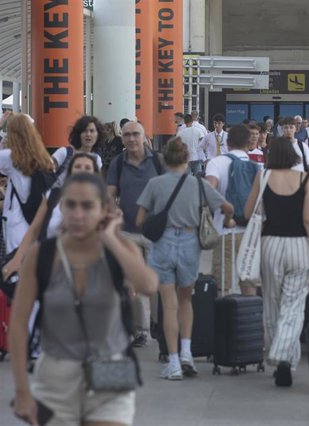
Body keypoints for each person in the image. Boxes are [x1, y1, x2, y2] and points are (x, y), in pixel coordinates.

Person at [9, 173, 158, 425]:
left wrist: (110, 238)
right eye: (71, 205)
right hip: (56, 373)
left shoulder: (119, 249)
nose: (78, 215)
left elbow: (148, 285)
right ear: (61, 207)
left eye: (88, 206)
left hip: (111, 366)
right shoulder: (42, 255)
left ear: (104, 209)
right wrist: (22, 391)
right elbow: (18, 325)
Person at [136, 138, 233, 380]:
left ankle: (173, 361)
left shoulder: (155, 184)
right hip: (190, 242)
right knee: (186, 301)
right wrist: (228, 220)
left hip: (163, 244)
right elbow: (227, 207)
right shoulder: (198, 185)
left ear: (164, 159)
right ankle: (188, 353)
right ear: (187, 159)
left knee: (169, 304)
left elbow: (139, 220)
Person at [244, 136, 309, 387]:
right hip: (299, 247)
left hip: (270, 244)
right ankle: (286, 357)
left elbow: (247, 212)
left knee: (272, 303)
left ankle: (281, 357)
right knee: (294, 306)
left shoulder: (262, 177)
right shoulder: (306, 178)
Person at [106, 121, 165, 347]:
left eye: (135, 134)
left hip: (156, 233)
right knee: (133, 283)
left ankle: (159, 324)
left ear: (144, 136)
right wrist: (113, 209)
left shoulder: (158, 161)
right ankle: (140, 329)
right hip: (128, 232)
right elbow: (110, 194)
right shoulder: (118, 164)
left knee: (158, 283)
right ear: (122, 138)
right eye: (127, 135)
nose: (131, 139)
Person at [3, 154, 102, 279]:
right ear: (70, 172)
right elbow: (34, 229)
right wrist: (17, 259)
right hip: (50, 266)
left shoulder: (103, 201)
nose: (82, 170)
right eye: (78, 166)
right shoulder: (53, 195)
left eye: (87, 167)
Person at [206, 125, 261, 296]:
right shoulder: (256, 167)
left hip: (224, 230)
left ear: (227, 142)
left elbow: (209, 190)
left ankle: (225, 320)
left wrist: (225, 210)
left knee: (222, 283)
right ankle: (249, 319)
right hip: (250, 231)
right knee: (249, 282)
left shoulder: (216, 163)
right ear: (249, 142)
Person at [0, 114, 55, 256]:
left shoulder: (11, 158)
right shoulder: (46, 160)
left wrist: (0, 124)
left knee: (17, 270)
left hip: (16, 223)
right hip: (38, 223)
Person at [53, 116, 106, 188]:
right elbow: (46, 176)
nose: (88, 134)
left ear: (98, 134)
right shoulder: (64, 153)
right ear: (78, 134)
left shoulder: (96, 159)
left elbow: (97, 185)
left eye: (92, 131)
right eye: (84, 131)